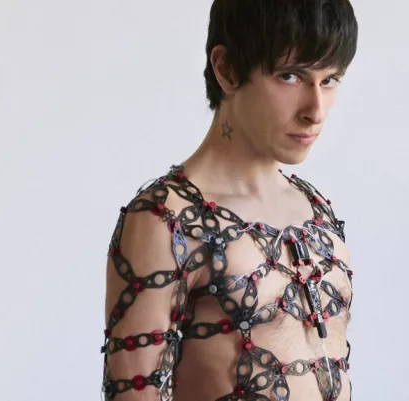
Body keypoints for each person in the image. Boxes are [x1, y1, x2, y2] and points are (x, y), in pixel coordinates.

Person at [100, 1, 359, 400]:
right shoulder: (168, 220)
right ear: (228, 69)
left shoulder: (314, 209)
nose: (316, 111)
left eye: (329, 80)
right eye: (290, 76)